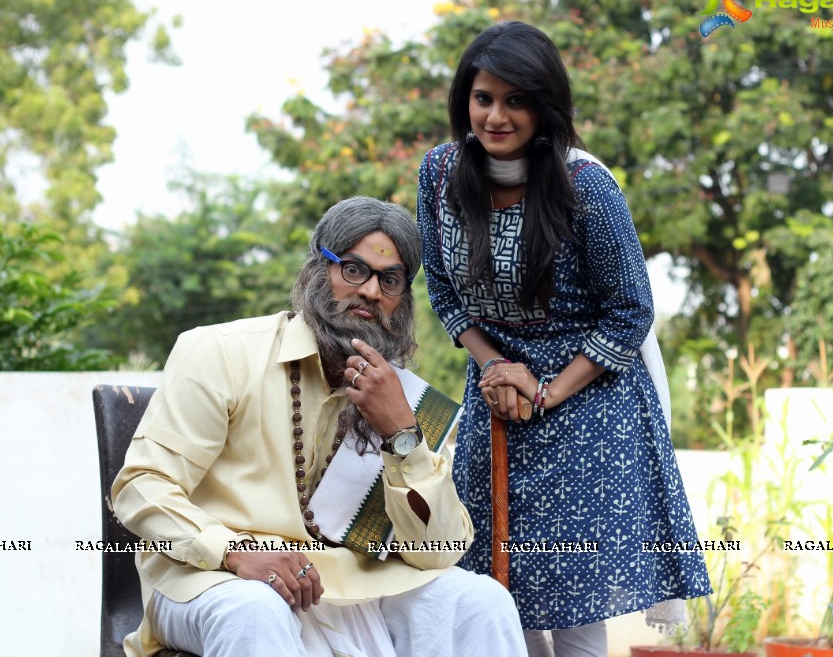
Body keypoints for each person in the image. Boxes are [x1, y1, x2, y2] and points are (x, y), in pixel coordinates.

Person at [112, 196, 527, 657]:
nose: (371, 291)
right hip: (217, 579)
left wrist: (402, 435)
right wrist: (233, 549)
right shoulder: (223, 352)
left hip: (351, 586)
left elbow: (438, 552)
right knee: (255, 610)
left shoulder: (405, 400)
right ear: (316, 269)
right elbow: (141, 486)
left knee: (480, 602)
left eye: (390, 280)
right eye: (354, 269)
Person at [416, 21, 712, 656]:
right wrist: (498, 371)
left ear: (545, 105)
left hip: (587, 405)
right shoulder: (439, 173)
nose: (496, 116)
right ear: (465, 99)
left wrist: (545, 391)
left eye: (516, 100)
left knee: (575, 607)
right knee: (498, 597)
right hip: (497, 402)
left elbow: (630, 312)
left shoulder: (586, 186)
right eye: (483, 98)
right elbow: (441, 288)